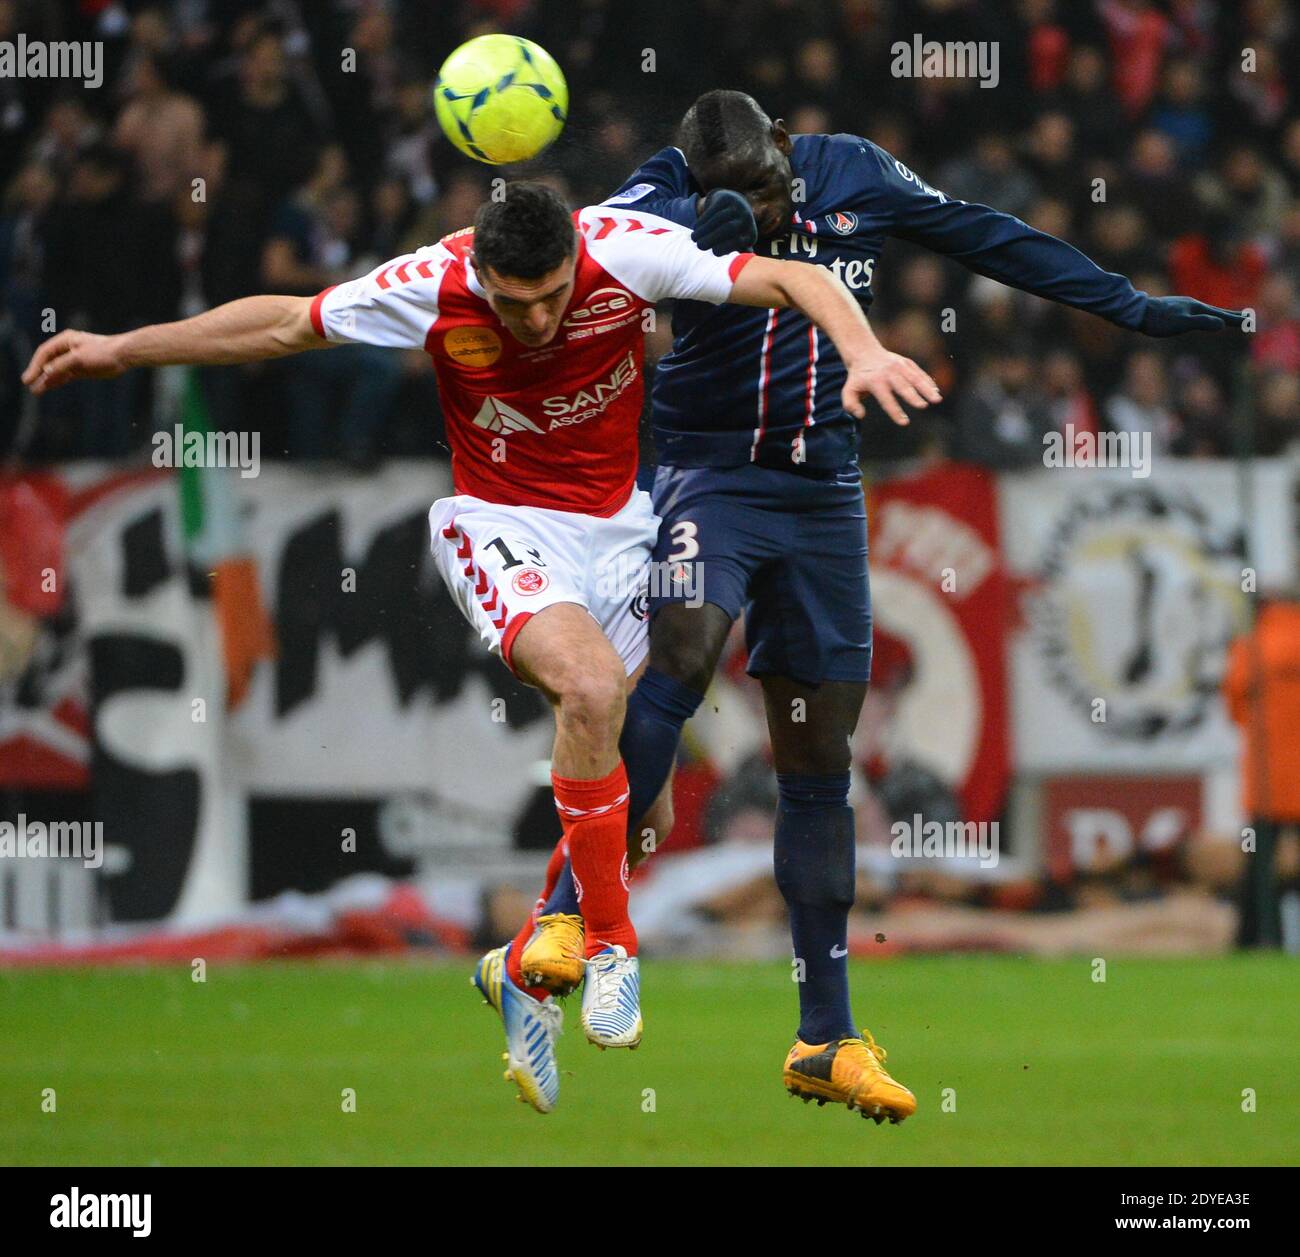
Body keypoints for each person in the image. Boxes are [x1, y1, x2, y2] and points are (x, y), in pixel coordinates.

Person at [22, 180, 939, 1114]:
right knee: (587, 687)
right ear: (482, 276)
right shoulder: (433, 280)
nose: (537, 318)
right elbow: (287, 322)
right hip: (503, 521)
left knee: (644, 814)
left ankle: (522, 966)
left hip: (624, 529)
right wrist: (121, 349)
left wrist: (861, 351)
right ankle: (613, 945)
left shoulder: (624, 250)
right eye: (514, 300)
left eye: (552, 295)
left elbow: (790, 280)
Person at [519, 90, 1247, 1126]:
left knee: (818, 758)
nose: (761, 213)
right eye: (739, 203)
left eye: (769, 193)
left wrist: (1127, 307)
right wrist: (687, 233)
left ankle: (825, 1036)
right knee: (678, 656)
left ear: (788, 152)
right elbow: (588, 255)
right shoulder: (663, 190)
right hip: (704, 474)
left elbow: (985, 236)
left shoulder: (852, 169)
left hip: (821, 490)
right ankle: (558, 921)